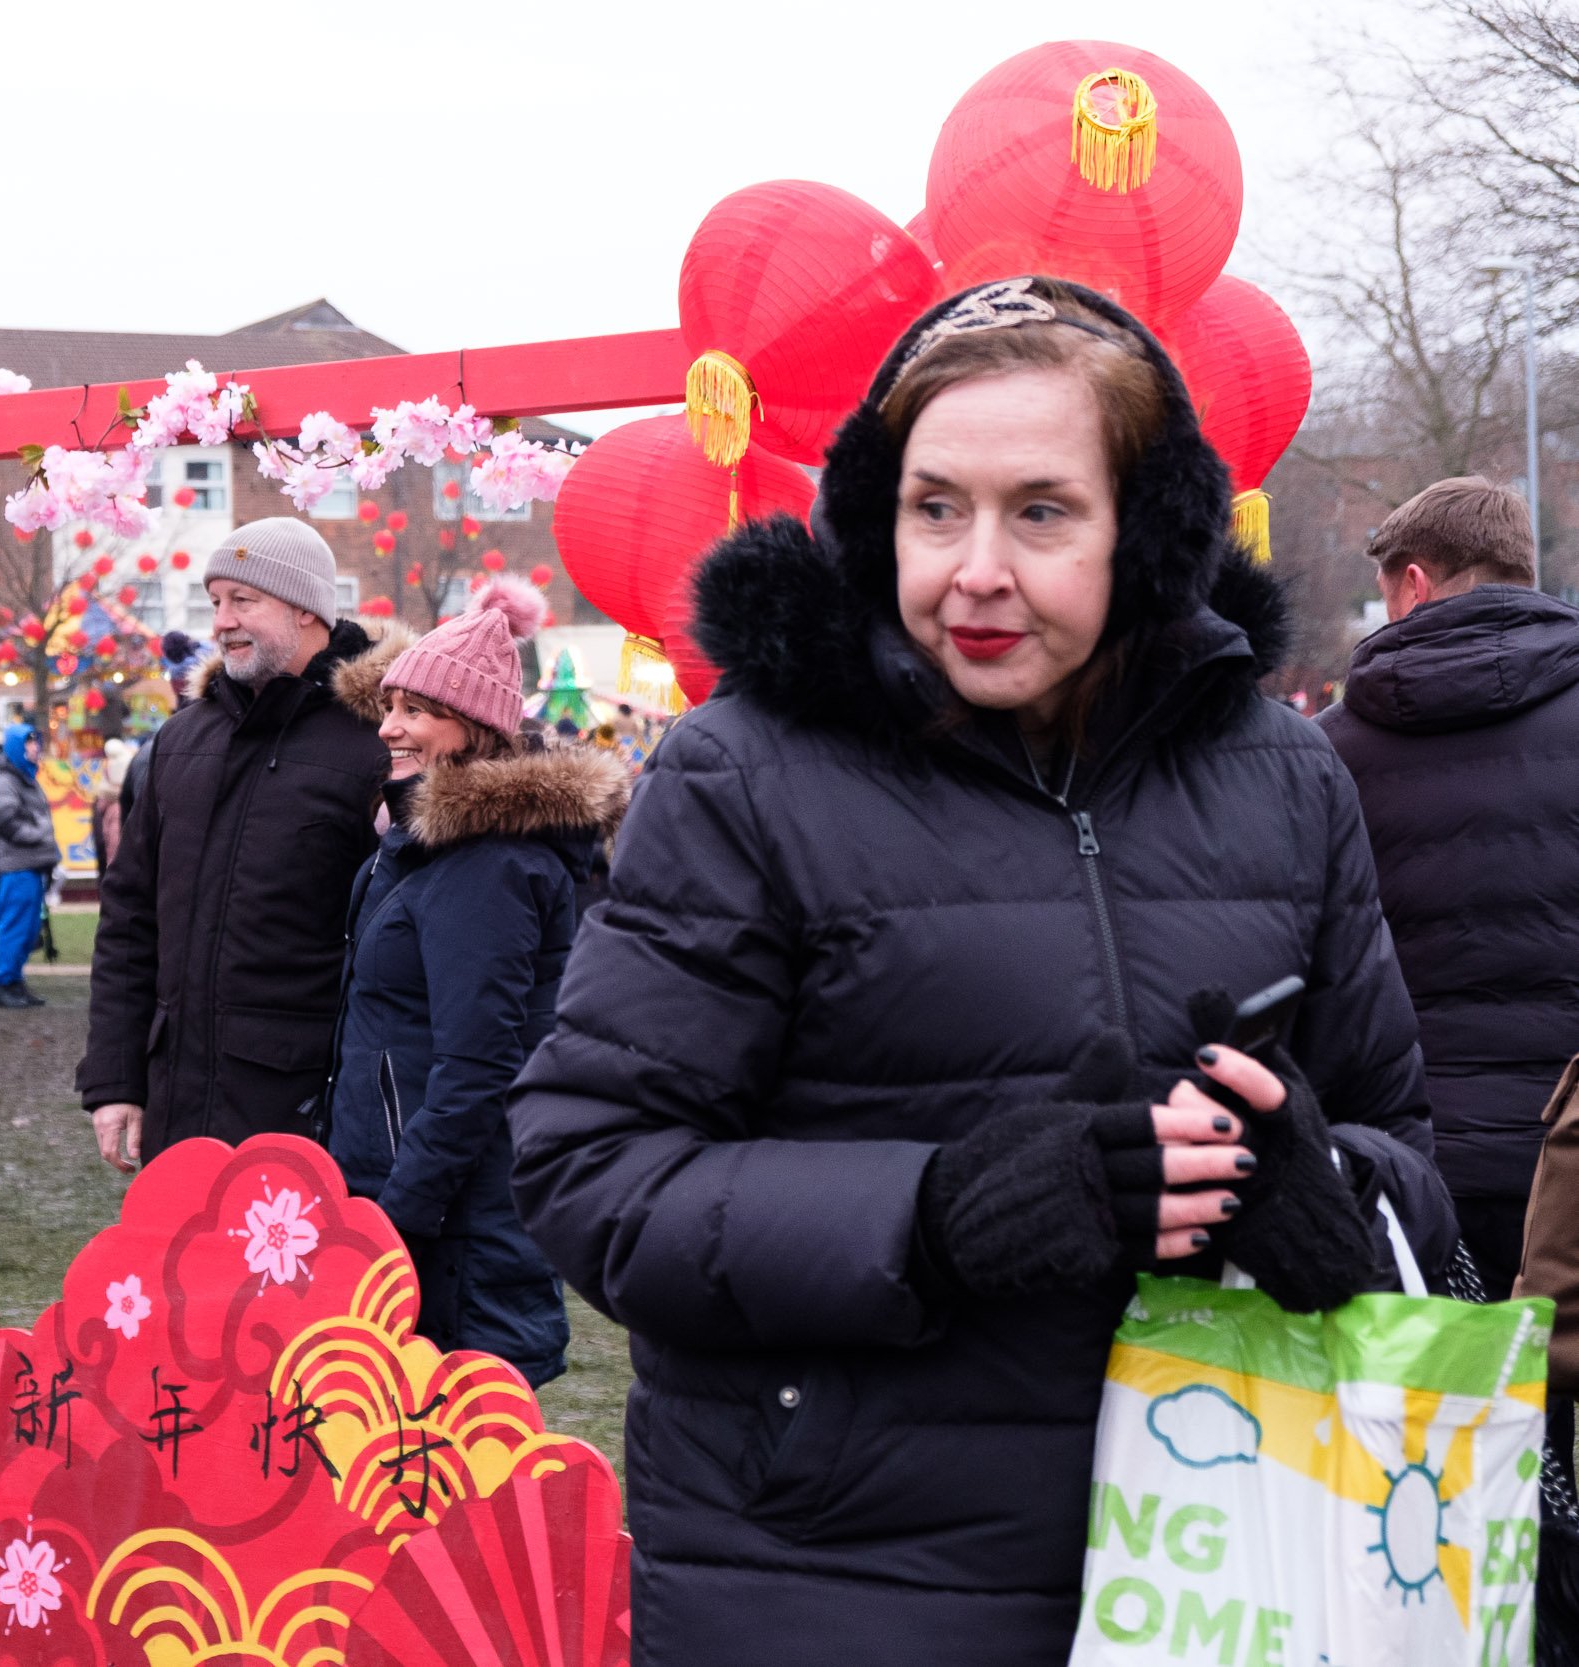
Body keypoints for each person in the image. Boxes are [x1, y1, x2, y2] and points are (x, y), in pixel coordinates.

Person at [506, 277, 1448, 1665]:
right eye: (936, 506)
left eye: (1042, 510)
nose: (976, 567)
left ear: (1147, 528)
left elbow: (1403, 1144)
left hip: (1230, 1565)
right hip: (828, 1581)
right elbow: (594, 1170)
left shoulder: (1285, 775)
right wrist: (933, 1212)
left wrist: (1330, 1197)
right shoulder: (744, 772)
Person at [326, 579, 626, 1387]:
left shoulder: (486, 863)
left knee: (456, 1482)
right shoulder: (424, 844)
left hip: (446, 1233)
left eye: (415, 711)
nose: (388, 727)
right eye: (390, 707)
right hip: (407, 1209)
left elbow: (475, 1068)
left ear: (473, 732)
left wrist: (395, 1221)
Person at [1317, 477, 1579, 1300]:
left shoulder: (1323, 755)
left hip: (1413, 1154)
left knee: (1454, 1410)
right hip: (1569, 1136)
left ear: (1416, 582)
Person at [78, 518, 396, 1173]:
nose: (222, 622)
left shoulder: (377, 744)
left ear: (307, 609)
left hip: (310, 1109)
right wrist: (115, 1081)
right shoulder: (181, 739)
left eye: (243, 600)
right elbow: (130, 918)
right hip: (176, 1101)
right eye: (215, 601)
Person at [0, 721, 59, 1008]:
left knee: (28, 929)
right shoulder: (7, 780)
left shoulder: (24, 777)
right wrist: (38, 836)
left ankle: (14, 981)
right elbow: (4, 819)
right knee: (16, 926)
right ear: (17, 747)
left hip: (30, 865)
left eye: (36, 742)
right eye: (29, 743)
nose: (35, 748)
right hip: (18, 866)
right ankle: (4, 983)